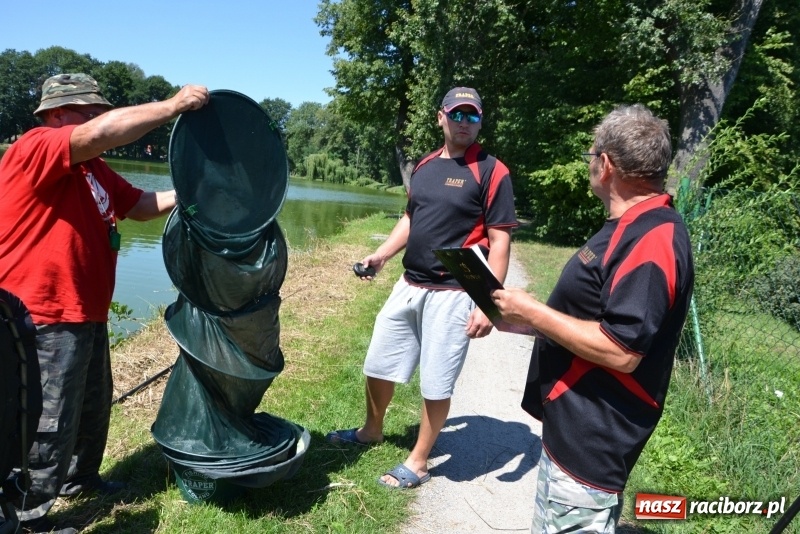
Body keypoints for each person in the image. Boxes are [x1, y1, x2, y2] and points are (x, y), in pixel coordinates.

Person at [0, 73, 209, 533]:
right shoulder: (36, 145)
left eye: (100, 109)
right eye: (88, 110)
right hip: (41, 315)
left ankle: (79, 480)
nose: (98, 117)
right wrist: (172, 105)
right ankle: (26, 518)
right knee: (45, 421)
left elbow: (139, 205)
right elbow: (99, 133)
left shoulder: (93, 169)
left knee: (91, 406)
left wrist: (193, 194)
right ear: (56, 115)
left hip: (85, 312)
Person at [490, 104, 695, 533]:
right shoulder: (631, 224)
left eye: (590, 157)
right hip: (573, 424)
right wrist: (528, 322)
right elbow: (592, 316)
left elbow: (622, 351)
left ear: (605, 164)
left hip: (594, 438)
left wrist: (532, 309)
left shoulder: (652, 237)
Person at [326, 87, 518, 489]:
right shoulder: (426, 166)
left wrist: (489, 302)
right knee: (378, 363)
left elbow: (500, 241)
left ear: (480, 121)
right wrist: (381, 255)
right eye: (457, 114)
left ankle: (418, 461)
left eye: (472, 116)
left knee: (436, 380)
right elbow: (412, 218)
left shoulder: (491, 170)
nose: (464, 122)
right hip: (409, 284)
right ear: (441, 117)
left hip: (455, 292)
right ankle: (371, 430)